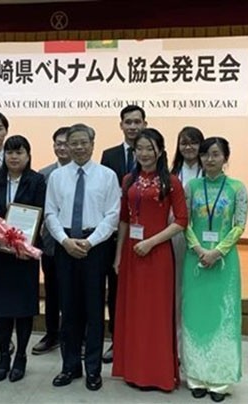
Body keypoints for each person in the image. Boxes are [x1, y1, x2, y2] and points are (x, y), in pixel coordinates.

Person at [45, 124, 120, 391]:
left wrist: (89, 242)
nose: (77, 147)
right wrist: (65, 241)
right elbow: (50, 213)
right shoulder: (57, 177)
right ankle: (70, 366)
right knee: (69, 308)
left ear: (92, 143)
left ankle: (92, 369)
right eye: (72, 143)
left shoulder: (107, 176)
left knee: (94, 310)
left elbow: (112, 216)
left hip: (94, 246)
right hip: (65, 246)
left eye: (82, 142)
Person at [112, 129, 188, 391]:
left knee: (156, 314)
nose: (144, 154)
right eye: (139, 149)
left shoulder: (172, 182)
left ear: (160, 150)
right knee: (134, 313)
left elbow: (181, 221)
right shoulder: (128, 180)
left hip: (157, 255)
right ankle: (134, 371)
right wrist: (119, 254)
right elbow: (123, 218)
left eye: (149, 148)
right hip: (133, 256)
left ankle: (158, 374)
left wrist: (152, 242)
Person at [181, 137, 248, 402]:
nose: (210, 159)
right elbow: (183, 222)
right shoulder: (192, 187)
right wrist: (199, 250)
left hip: (224, 262)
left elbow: (239, 225)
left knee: (224, 318)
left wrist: (217, 251)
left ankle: (220, 380)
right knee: (195, 317)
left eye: (215, 154)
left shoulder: (237, 188)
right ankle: (196, 377)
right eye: (205, 155)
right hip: (195, 260)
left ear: (225, 158)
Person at [0, 135, 46, 383]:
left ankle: (21, 357)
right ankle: (4, 356)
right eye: (10, 152)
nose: (14, 157)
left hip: (23, 256)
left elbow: (41, 217)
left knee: (24, 309)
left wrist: (24, 243)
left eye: (19, 152)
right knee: (2, 309)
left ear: (28, 155)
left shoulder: (37, 181)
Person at [99, 104, 147, 363]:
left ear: (145, 124)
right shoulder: (109, 155)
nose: (132, 126)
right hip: (114, 233)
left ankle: (141, 340)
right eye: (127, 122)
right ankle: (116, 342)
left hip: (146, 236)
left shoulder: (153, 153)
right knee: (115, 290)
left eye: (137, 122)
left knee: (143, 290)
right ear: (121, 125)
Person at [32, 126, 71, 356]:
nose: (62, 147)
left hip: (77, 241)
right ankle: (52, 333)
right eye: (58, 143)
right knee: (53, 289)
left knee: (76, 290)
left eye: (66, 142)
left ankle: (75, 334)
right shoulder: (43, 175)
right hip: (50, 243)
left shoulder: (91, 173)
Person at [169, 126, 205, 357]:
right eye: (184, 143)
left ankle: (196, 344)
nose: (188, 147)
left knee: (197, 290)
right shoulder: (171, 173)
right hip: (174, 237)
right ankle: (177, 347)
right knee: (177, 290)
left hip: (201, 239)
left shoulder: (209, 174)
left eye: (193, 142)